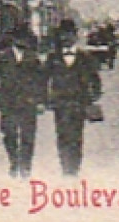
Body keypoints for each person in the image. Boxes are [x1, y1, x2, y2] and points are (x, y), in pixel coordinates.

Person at [43, 18, 102, 178]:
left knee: (76, 136)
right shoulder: (52, 57)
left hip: (79, 102)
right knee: (62, 135)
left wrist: (93, 97)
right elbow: (43, 79)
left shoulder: (85, 57)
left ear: (75, 36)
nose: (66, 38)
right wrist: (44, 99)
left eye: (70, 35)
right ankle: (65, 167)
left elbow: (95, 79)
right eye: (63, 35)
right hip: (60, 103)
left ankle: (74, 168)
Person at [0, 24, 45, 178]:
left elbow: (41, 81)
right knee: (9, 133)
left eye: (24, 39)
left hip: (28, 101)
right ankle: (14, 161)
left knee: (28, 135)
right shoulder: (2, 57)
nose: (22, 42)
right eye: (19, 39)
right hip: (8, 101)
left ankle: (26, 165)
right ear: (13, 40)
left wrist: (41, 101)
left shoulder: (33, 58)